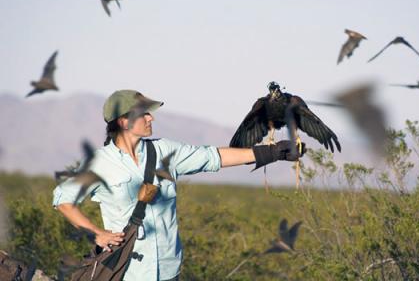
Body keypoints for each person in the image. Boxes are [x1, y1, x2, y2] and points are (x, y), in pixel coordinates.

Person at [52, 90, 305, 281]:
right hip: (128, 271)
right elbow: (63, 199)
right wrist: (97, 233)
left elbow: (214, 157)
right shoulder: (99, 163)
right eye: (144, 113)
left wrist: (274, 152)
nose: (151, 117)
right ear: (124, 121)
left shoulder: (165, 151)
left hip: (169, 267)